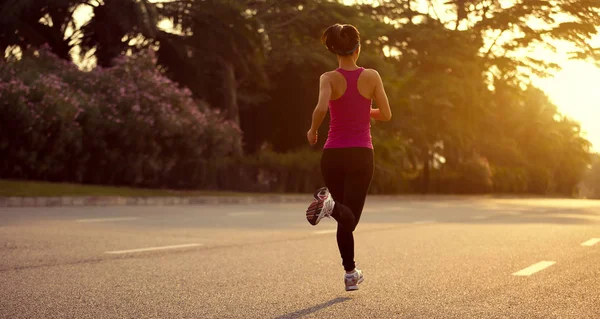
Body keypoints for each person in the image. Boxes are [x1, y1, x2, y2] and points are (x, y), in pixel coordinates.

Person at [305, 23, 392, 291]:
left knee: (344, 216)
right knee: (349, 216)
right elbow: (386, 114)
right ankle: (328, 206)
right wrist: (367, 111)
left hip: (333, 154)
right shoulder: (372, 76)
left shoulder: (328, 78)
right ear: (358, 48)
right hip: (361, 154)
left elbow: (321, 107)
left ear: (334, 51)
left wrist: (312, 130)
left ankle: (350, 273)